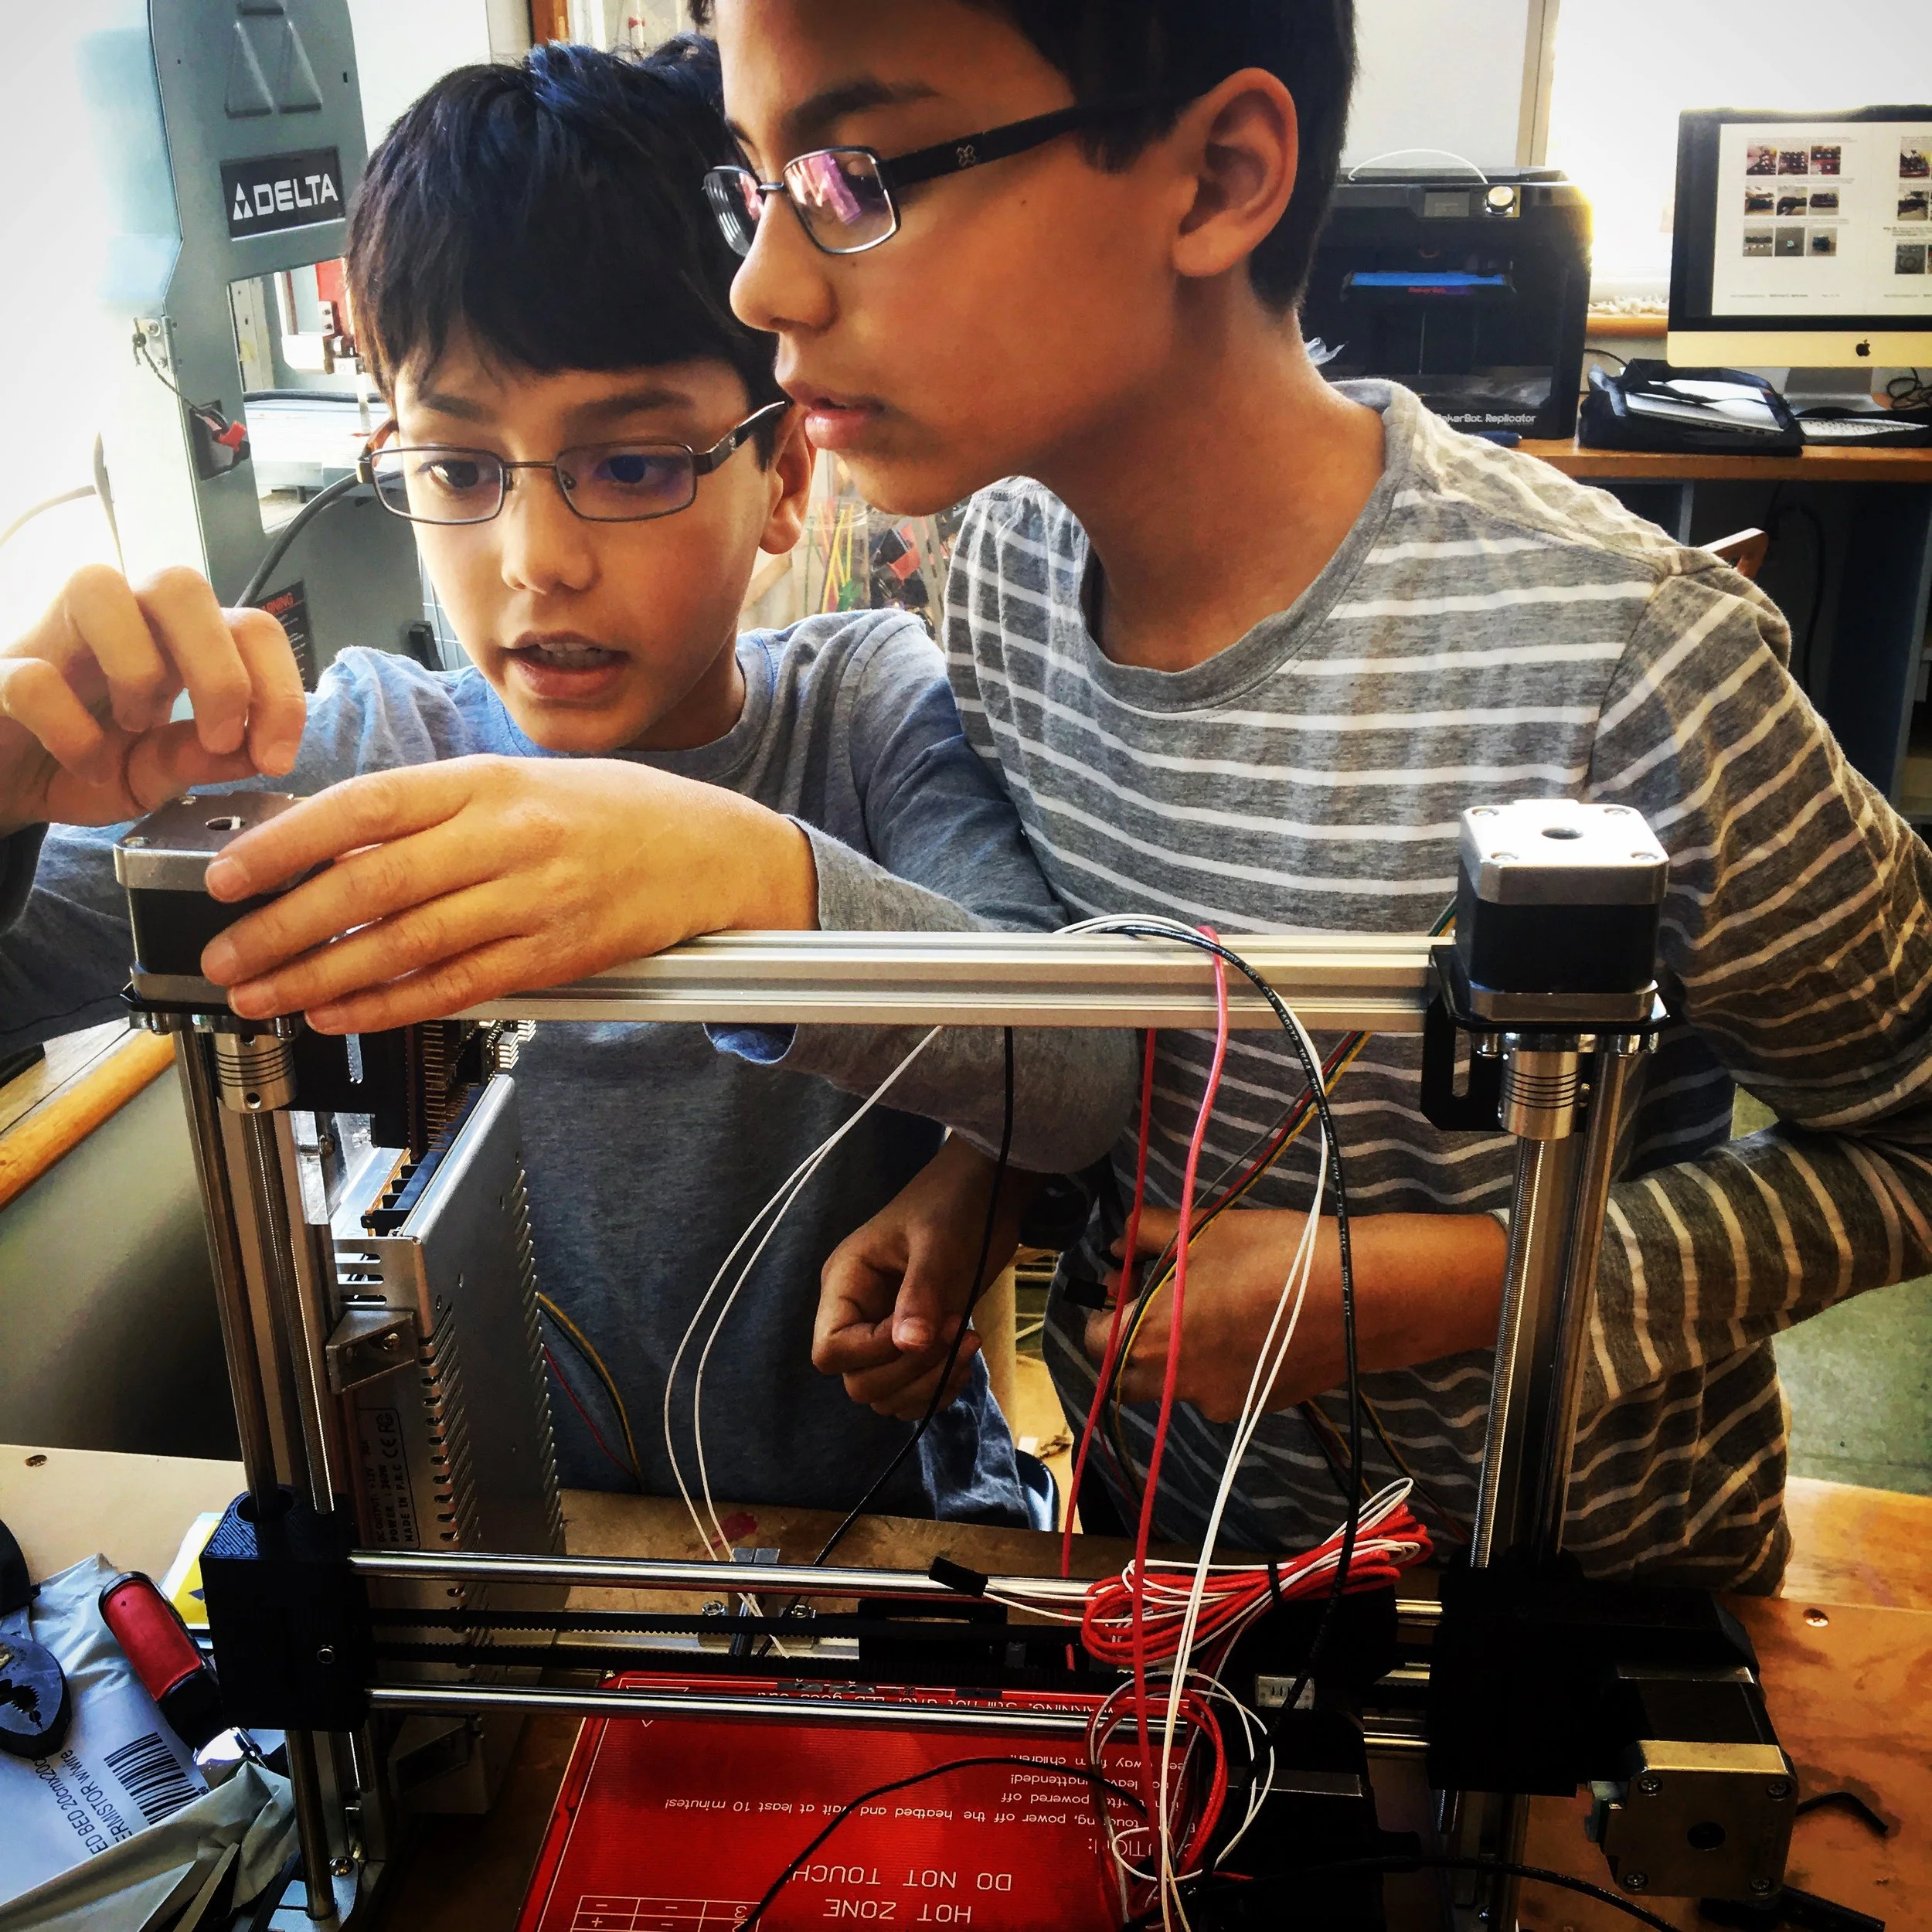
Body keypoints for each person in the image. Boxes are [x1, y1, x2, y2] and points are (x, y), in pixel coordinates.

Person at [682, 0, 1932, 1587]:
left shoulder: (1620, 659)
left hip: (1561, 1616)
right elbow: (1131, 1011)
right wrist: (979, 1175)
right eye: (759, 182)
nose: (763, 281)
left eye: (854, 174)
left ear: (1215, 177)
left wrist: (1452, 1282)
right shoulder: (997, 568)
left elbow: (1909, 1142)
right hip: (1172, 1578)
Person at [0, 39, 1135, 1520]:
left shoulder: (863, 711)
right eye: (462, 472)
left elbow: (1079, 1073)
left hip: (864, 1552)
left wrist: (737, 873)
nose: (537, 559)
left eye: (637, 462)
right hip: (476, 1582)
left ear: (784, 475)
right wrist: (14, 795)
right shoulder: (348, 762)